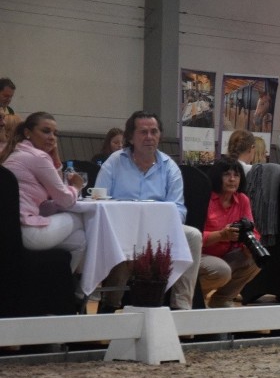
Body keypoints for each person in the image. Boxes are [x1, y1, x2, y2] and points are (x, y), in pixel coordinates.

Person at [94, 111, 202, 313]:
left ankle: (182, 307)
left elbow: (178, 209)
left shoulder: (169, 167)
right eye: (143, 132)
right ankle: (109, 305)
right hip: (121, 231)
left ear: (160, 135)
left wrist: (158, 223)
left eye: (154, 131)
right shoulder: (114, 163)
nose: (149, 137)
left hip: (159, 233)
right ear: (130, 137)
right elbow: (100, 201)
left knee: (193, 236)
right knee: (127, 244)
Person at [0, 111, 86, 272]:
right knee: (82, 219)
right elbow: (65, 200)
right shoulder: (37, 157)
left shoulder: (17, 152)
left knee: (80, 240)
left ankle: (68, 292)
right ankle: (76, 293)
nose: (52, 137)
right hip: (26, 232)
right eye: (46, 131)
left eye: (55, 133)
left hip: (9, 232)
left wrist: (56, 160)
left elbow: (51, 197)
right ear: (27, 133)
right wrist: (76, 187)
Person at [200, 157, 262, 308]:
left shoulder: (242, 200)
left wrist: (249, 246)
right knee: (221, 270)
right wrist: (221, 235)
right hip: (200, 255)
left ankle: (222, 300)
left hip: (224, 256)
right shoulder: (205, 198)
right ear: (217, 177)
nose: (232, 179)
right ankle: (196, 295)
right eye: (227, 175)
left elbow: (252, 230)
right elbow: (194, 237)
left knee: (257, 257)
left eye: (236, 175)